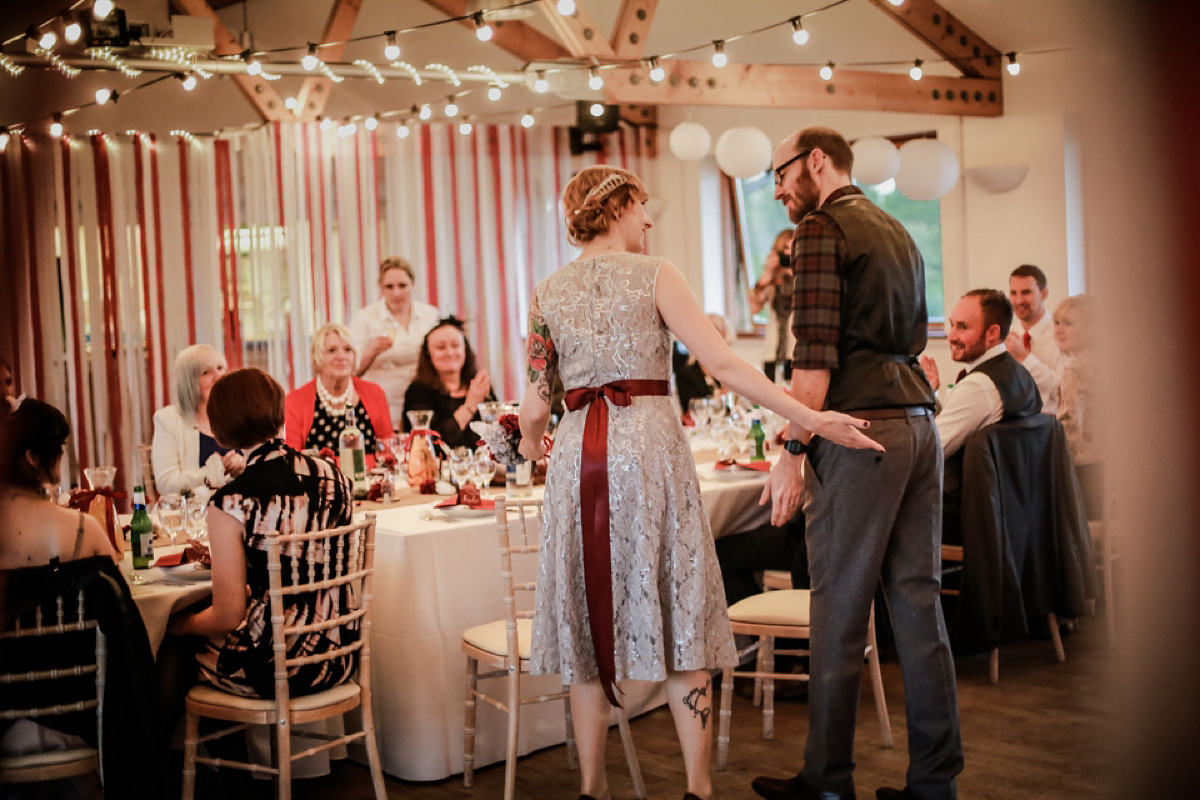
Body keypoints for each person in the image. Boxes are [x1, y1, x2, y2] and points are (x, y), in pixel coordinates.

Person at [516, 164, 881, 800]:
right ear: (619, 207)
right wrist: (808, 416)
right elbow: (721, 363)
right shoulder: (658, 273)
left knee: (586, 620)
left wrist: (531, 447)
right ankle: (697, 789)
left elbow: (533, 409)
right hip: (651, 451)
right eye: (642, 207)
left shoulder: (547, 292)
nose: (649, 219)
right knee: (682, 610)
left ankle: (593, 787)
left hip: (579, 462)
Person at [756, 126, 964, 800]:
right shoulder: (897, 229)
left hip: (857, 430)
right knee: (918, 606)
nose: (779, 187)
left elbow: (813, 361)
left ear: (816, 161)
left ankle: (827, 782)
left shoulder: (821, 228)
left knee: (839, 610)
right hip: (919, 423)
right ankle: (936, 785)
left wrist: (791, 449)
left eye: (781, 172)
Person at [1, 399, 161, 799]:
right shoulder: (80, 530)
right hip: (74, 718)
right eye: (59, 448)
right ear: (34, 458)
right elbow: (125, 630)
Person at [168, 368, 360, 698]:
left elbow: (228, 616)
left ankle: (191, 751)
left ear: (218, 429)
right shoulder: (334, 476)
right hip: (341, 652)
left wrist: (177, 625)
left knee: (171, 650)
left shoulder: (231, 501)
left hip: (280, 668)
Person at [920, 290, 1042, 545]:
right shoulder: (1018, 374)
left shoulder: (979, 386)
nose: (952, 336)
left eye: (963, 327)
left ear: (992, 333)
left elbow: (930, 448)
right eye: (952, 325)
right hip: (1013, 508)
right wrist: (931, 394)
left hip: (966, 514)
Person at [348, 256, 442, 422]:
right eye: (389, 287)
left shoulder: (430, 315)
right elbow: (351, 371)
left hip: (424, 399)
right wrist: (371, 351)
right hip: (383, 401)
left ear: (412, 285)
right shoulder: (364, 318)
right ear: (381, 288)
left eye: (402, 285)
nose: (396, 293)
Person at [285, 323, 394, 463]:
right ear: (316, 358)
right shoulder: (295, 401)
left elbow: (388, 452)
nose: (341, 356)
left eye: (348, 349)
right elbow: (291, 459)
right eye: (331, 350)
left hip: (370, 481)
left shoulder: (375, 393)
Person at [152, 344, 246, 496]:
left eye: (220, 368)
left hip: (239, 509)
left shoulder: (239, 415)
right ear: (189, 382)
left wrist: (241, 467)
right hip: (192, 514)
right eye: (206, 372)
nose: (218, 376)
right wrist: (213, 471)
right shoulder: (167, 419)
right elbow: (166, 484)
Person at [401, 316, 495, 449]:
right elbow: (428, 444)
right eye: (441, 348)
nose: (449, 353)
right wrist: (469, 406)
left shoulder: (478, 385)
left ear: (465, 350)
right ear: (428, 354)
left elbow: (498, 432)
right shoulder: (417, 391)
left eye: (455, 346)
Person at [1053, 295, 1101, 517]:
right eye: (1057, 323)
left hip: (1087, 474)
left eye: (1069, 323)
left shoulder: (1076, 369)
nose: (1059, 330)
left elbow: (1069, 430)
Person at [1005, 264, 1066, 415]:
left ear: (1044, 294)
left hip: (1051, 425)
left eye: (1026, 292)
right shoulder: (1008, 335)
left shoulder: (1062, 334)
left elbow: (1064, 390)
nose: (1019, 300)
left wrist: (1024, 358)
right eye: (1013, 293)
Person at [750, 230, 797, 382]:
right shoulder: (771, 281)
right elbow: (753, 308)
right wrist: (767, 273)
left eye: (792, 250)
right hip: (772, 350)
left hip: (795, 351)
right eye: (785, 251)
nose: (788, 256)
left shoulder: (803, 277)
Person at [674, 313, 732, 419]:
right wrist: (721, 397)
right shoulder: (686, 374)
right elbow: (692, 411)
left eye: (719, 336)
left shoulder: (727, 371)